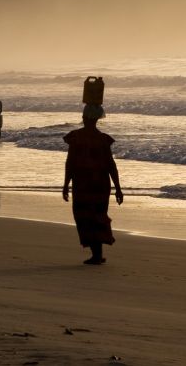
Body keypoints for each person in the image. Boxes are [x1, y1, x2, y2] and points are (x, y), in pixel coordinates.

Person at [62, 104, 123, 265]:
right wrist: (117, 188)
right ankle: (98, 254)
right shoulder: (103, 139)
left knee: (84, 216)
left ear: (83, 118)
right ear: (96, 120)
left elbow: (70, 163)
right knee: (98, 216)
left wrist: (65, 184)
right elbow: (111, 165)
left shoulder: (76, 137)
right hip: (100, 185)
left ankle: (96, 254)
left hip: (82, 184)